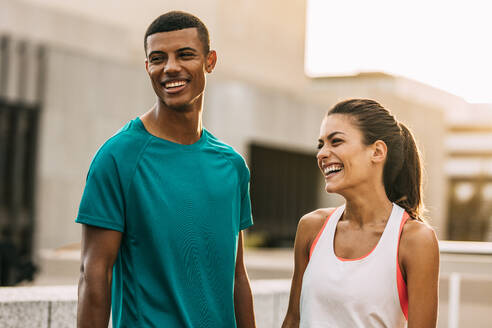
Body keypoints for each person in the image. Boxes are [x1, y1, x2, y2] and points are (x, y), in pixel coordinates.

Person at [76, 11, 256, 328]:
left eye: (185, 55)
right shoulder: (117, 157)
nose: (170, 67)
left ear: (210, 61)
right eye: (158, 58)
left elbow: (237, 276)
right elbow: (94, 276)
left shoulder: (232, 166)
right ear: (147, 66)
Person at [282, 99, 439, 328]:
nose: (322, 154)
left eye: (336, 142)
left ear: (377, 152)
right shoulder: (311, 227)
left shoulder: (414, 240)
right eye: (321, 145)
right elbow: (293, 320)